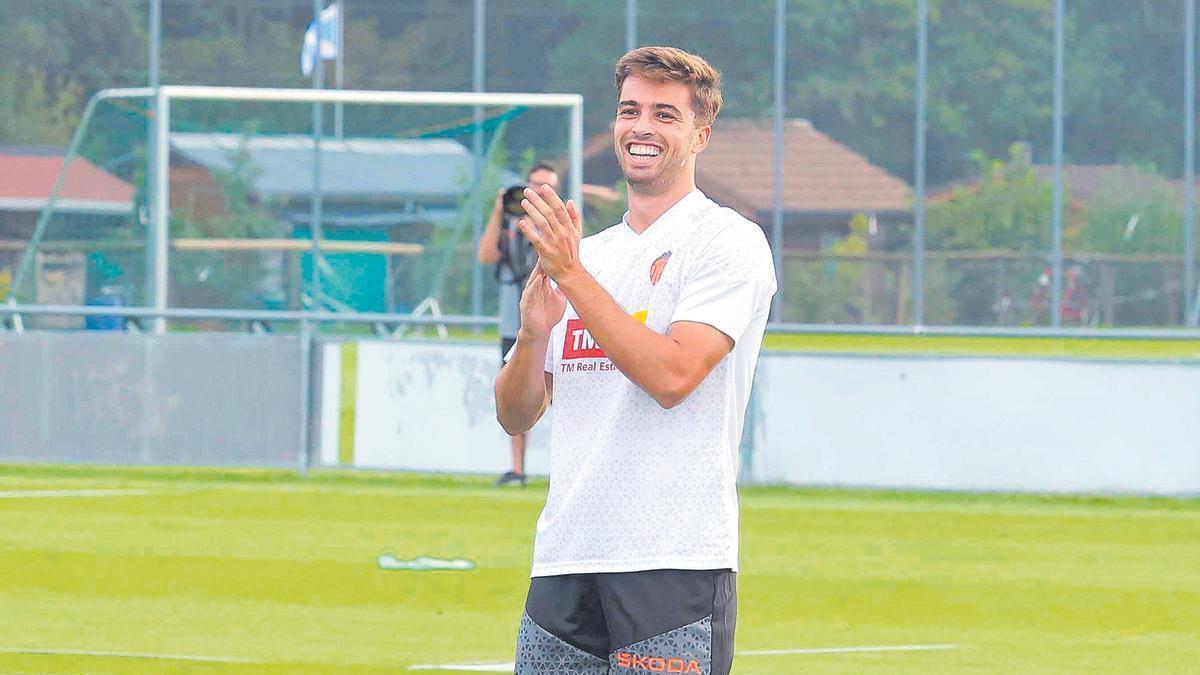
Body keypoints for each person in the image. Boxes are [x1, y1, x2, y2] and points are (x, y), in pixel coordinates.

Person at [495, 46, 777, 674]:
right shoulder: (587, 254)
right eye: (630, 111)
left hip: (672, 561)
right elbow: (515, 415)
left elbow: (673, 376)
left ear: (701, 133)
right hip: (566, 557)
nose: (641, 127)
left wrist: (571, 275)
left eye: (665, 114)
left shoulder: (727, 241)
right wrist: (534, 334)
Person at [478, 162, 561, 487]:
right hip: (513, 324)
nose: (540, 193)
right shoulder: (510, 227)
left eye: (547, 187)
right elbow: (485, 256)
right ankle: (518, 468)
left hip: (553, 323)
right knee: (517, 395)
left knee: (558, 395)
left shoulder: (558, 225)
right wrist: (500, 211)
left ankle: (563, 466)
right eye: (534, 186)